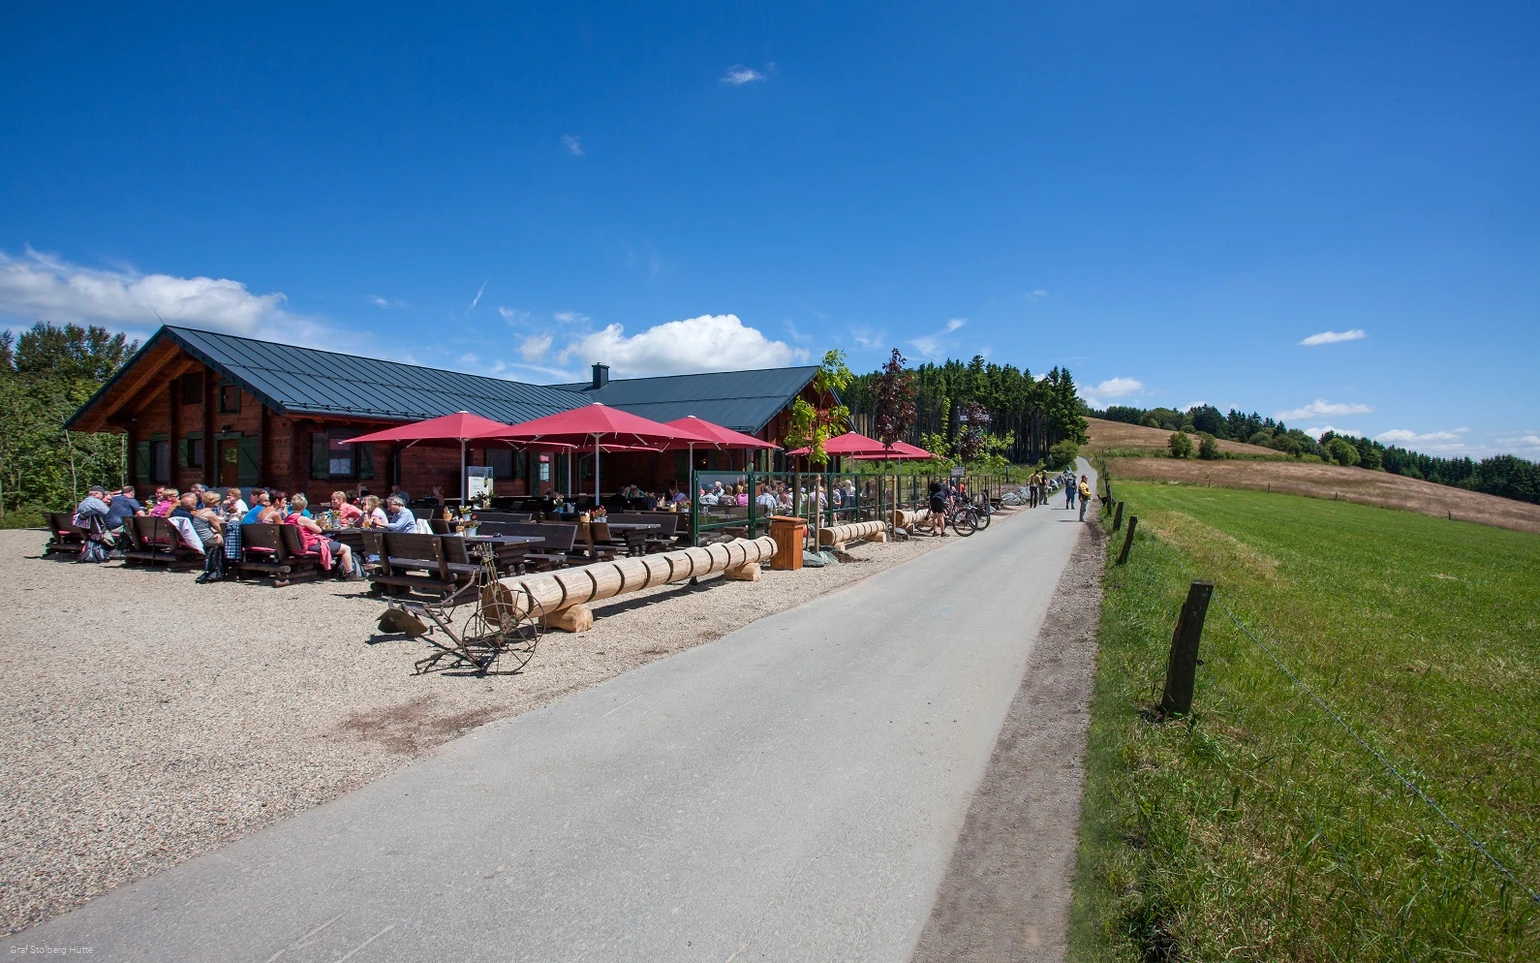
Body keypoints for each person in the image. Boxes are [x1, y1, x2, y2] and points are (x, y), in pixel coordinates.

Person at [287, 495, 362, 578]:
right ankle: (350, 573)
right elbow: (319, 530)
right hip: (309, 545)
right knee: (346, 548)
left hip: (296, 545)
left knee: (334, 543)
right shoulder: (303, 519)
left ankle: (333, 569)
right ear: (304, 506)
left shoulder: (288, 518)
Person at [73, 486, 113, 563]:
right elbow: (108, 513)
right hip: (96, 529)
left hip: (86, 528)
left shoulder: (84, 501)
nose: (103, 496)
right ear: (96, 494)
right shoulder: (95, 501)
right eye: (103, 494)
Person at [192, 491, 225, 583]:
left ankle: (215, 570)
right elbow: (220, 528)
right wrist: (219, 534)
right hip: (207, 538)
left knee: (220, 540)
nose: (219, 502)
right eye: (217, 501)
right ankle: (219, 569)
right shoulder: (210, 514)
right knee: (228, 541)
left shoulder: (200, 512)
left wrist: (217, 533)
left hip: (200, 537)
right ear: (213, 502)